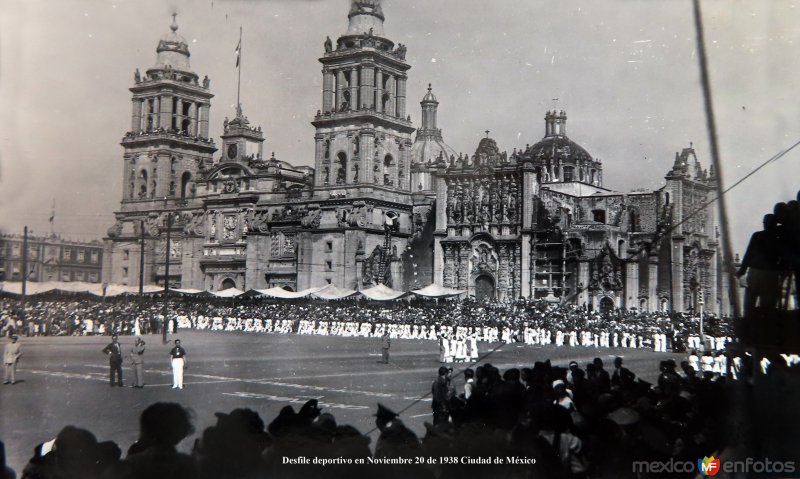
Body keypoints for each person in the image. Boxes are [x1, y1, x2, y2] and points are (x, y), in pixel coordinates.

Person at [737, 213, 782, 317]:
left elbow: (748, 254)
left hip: (755, 273)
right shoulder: (778, 238)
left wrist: (742, 271)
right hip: (770, 275)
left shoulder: (757, 236)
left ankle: (749, 325)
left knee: (749, 304)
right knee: (768, 306)